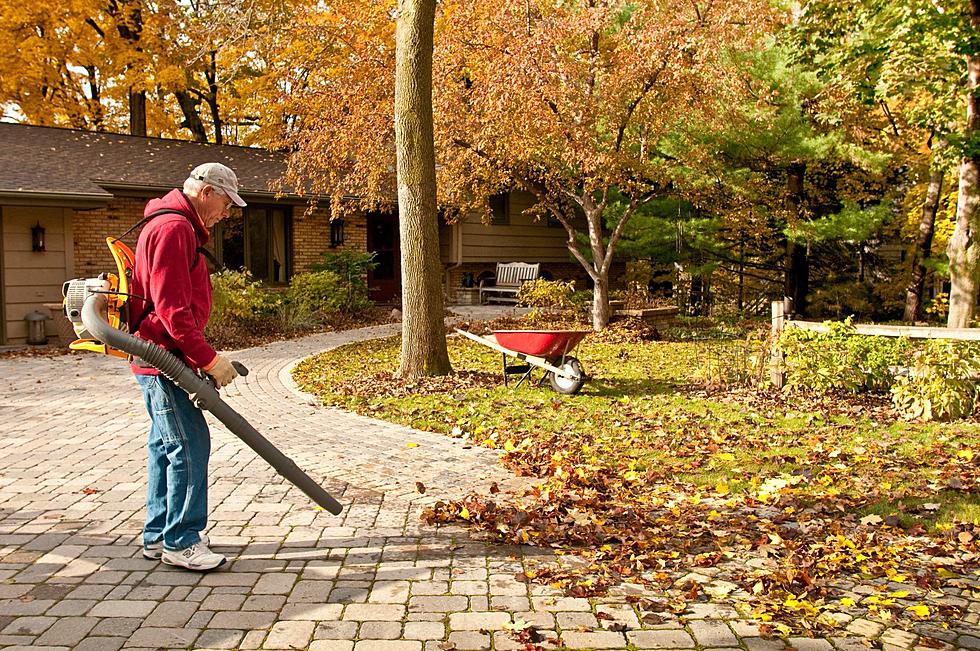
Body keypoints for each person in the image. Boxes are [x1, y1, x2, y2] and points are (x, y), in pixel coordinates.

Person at [128, 162, 247, 571]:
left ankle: (159, 536)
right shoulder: (174, 229)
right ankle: (181, 541)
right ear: (207, 192)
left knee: (166, 446)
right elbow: (172, 311)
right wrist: (210, 360)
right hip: (164, 359)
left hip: (162, 357)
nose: (227, 213)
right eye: (226, 203)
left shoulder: (174, 225)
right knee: (190, 447)